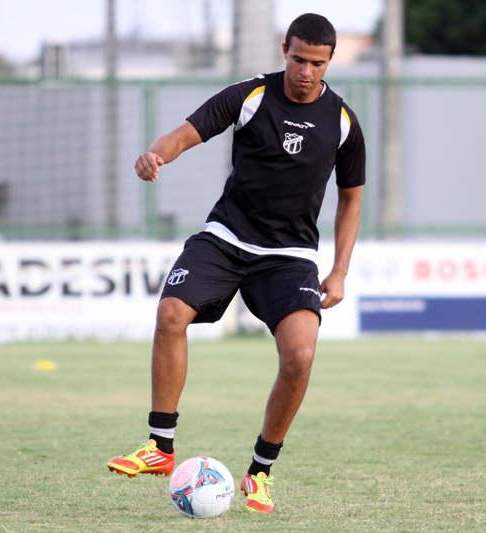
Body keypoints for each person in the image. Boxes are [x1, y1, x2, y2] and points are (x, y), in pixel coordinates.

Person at [107, 12, 366, 514]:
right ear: (283, 50)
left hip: (288, 256)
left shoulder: (342, 122)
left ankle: (260, 472)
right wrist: (155, 155)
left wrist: (339, 270)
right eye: (297, 59)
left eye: (317, 63)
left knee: (301, 356)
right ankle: (160, 448)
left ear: (330, 61)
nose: (306, 71)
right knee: (169, 314)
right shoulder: (249, 96)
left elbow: (351, 199)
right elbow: (184, 134)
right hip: (226, 237)